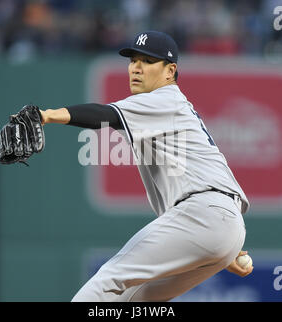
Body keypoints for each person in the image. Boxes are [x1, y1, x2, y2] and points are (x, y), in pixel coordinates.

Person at [40, 31, 253, 302]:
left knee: (111, 276)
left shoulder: (165, 99)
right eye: (133, 60)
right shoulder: (170, 108)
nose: (136, 68)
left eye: (148, 61)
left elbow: (105, 115)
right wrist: (226, 245)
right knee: (137, 298)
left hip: (204, 214)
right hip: (223, 225)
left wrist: (46, 115)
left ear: (170, 71)